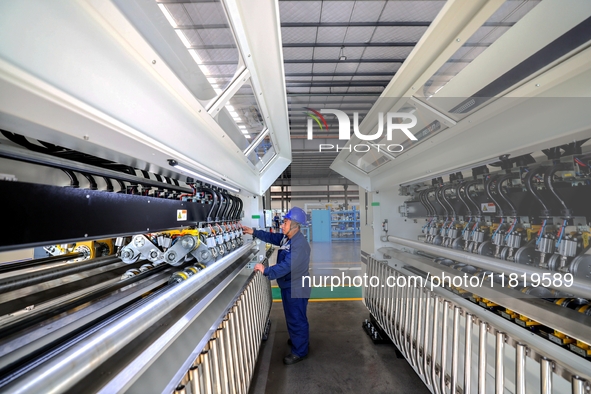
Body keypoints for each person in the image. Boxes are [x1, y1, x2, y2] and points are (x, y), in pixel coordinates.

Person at [242, 207, 311, 365]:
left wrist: (266, 270)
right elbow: (272, 237)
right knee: (293, 316)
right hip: (290, 285)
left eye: (285, 222)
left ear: (294, 225)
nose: (282, 225)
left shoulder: (299, 244)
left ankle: (300, 351)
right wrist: (254, 232)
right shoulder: (287, 239)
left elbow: (287, 266)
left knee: (296, 318)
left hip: (297, 286)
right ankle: (298, 339)